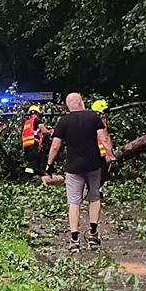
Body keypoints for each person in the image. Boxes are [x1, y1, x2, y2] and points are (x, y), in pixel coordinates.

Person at [46, 91, 114, 253]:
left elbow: (55, 146)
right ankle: (93, 234)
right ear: (81, 102)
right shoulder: (93, 117)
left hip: (73, 168)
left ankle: (74, 240)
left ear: (68, 106)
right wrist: (111, 156)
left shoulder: (63, 121)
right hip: (93, 165)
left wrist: (49, 164)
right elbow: (104, 138)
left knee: (74, 202)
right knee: (94, 197)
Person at [19, 103, 50, 178]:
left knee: (33, 161)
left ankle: (33, 177)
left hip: (26, 144)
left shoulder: (27, 122)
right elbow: (44, 131)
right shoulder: (36, 120)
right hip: (33, 143)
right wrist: (50, 132)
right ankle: (26, 178)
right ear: (37, 113)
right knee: (32, 163)